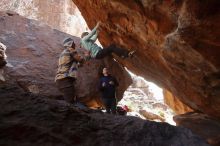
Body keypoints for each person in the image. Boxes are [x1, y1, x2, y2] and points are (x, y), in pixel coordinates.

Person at [55, 38, 85, 105]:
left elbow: (76, 64)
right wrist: (86, 56)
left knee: (70, 100)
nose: (75, 44)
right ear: (70, 44)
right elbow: (80, 60)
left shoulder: (62, 53)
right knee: (70, 103)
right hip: (65, 79)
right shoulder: (70, 50)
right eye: (73, 43)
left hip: (60, 80)